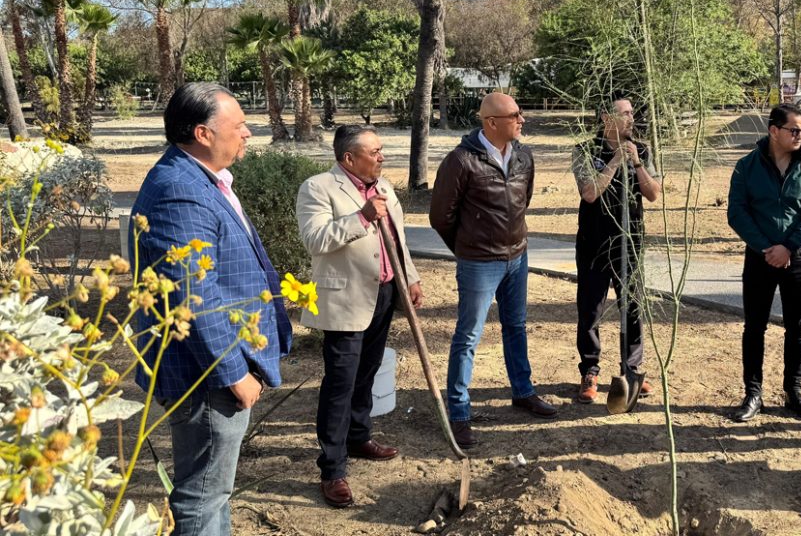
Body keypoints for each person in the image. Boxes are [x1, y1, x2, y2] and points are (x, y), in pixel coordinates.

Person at [130, 83, 292, 536]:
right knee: (202, 495)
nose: (248, 134)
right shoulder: (180, 190)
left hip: (211, 369)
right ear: (203, 133)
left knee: (214, 491)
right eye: (239, 126)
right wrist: (232, 373)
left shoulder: (198, 178)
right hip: (205, 376)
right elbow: (191, 294)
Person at [296, 125, 424, 508]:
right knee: (340, 384)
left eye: (382, 150)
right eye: (375, 151)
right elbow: (315, 239)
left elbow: (398, 240)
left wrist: (411, 279)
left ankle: (359, 436)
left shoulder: (384, 189)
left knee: (366, 373)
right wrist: (362, 217)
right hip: (345, 300)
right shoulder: (318, 187)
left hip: (383, 294)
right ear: (349, 158)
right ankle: (333, 469)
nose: (382, 157)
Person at [429, 92, 558, 450]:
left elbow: (522, 202)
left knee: (515, 326)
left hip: (518, 257)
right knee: (468, 336)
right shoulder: (460, 161)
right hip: (478, 263)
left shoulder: (524, 155)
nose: (522, 120)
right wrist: (468, 249)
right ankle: (458, 413)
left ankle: (523, 391)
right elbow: (441, 217)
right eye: (515, 115)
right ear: (491, 123)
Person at [726, 103, 801, 422]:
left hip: (799, 259)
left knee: (797, 328)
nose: (800, 135)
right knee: (754, 327)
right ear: (774, 130)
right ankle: (753, 394)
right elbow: (737, 212)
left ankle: (793, 393)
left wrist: (788, 246)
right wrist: (766, 247)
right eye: (793, 129)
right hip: (760, 258)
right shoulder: (746, 166)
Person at [571, 97, 661, 410]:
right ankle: (590, 371)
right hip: (594, 243)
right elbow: (589, 193)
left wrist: (635, 162)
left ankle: (632, 369)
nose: (631, 118)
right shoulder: (586, 150)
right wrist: (613, 162)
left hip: (630, 242)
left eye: (632, 113)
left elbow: (652, 193)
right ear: (606, 117)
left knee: (632, 306)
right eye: (624, 113)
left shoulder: (644, 149)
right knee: (591, 308)